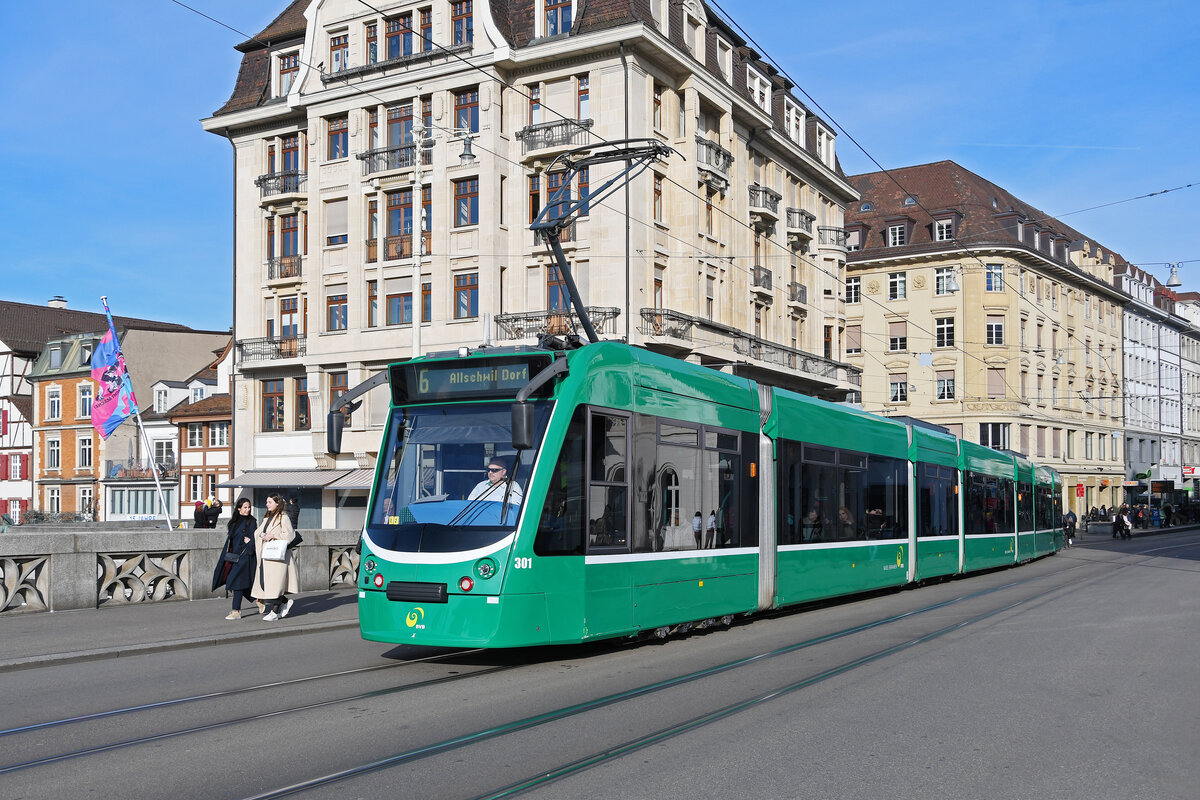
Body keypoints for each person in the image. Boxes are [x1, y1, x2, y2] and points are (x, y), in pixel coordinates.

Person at [212, 497, 261, 620]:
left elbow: (254, 539)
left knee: (236, 582)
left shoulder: (252, 521)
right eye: (245, 507)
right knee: (235, 582)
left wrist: (249, 542)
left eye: (249, 507)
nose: (247, 509)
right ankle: (259, 600)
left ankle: (236, 611)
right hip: (233, 557)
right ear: (239, 508)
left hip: (245, 556)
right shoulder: (234, 522)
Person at [252, 493, 299, 621]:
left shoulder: (283, 517)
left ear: (277, 503)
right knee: (269, 584)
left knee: (275, 584)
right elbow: (258, 532)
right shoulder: (268, 517)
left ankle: (275, 612)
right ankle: (284, 602)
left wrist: (273, 536)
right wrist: (264, 535)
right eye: (267, 502)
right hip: (267, 556)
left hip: (278, 557)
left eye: (269, 502)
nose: (267, 504)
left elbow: (289, 536)